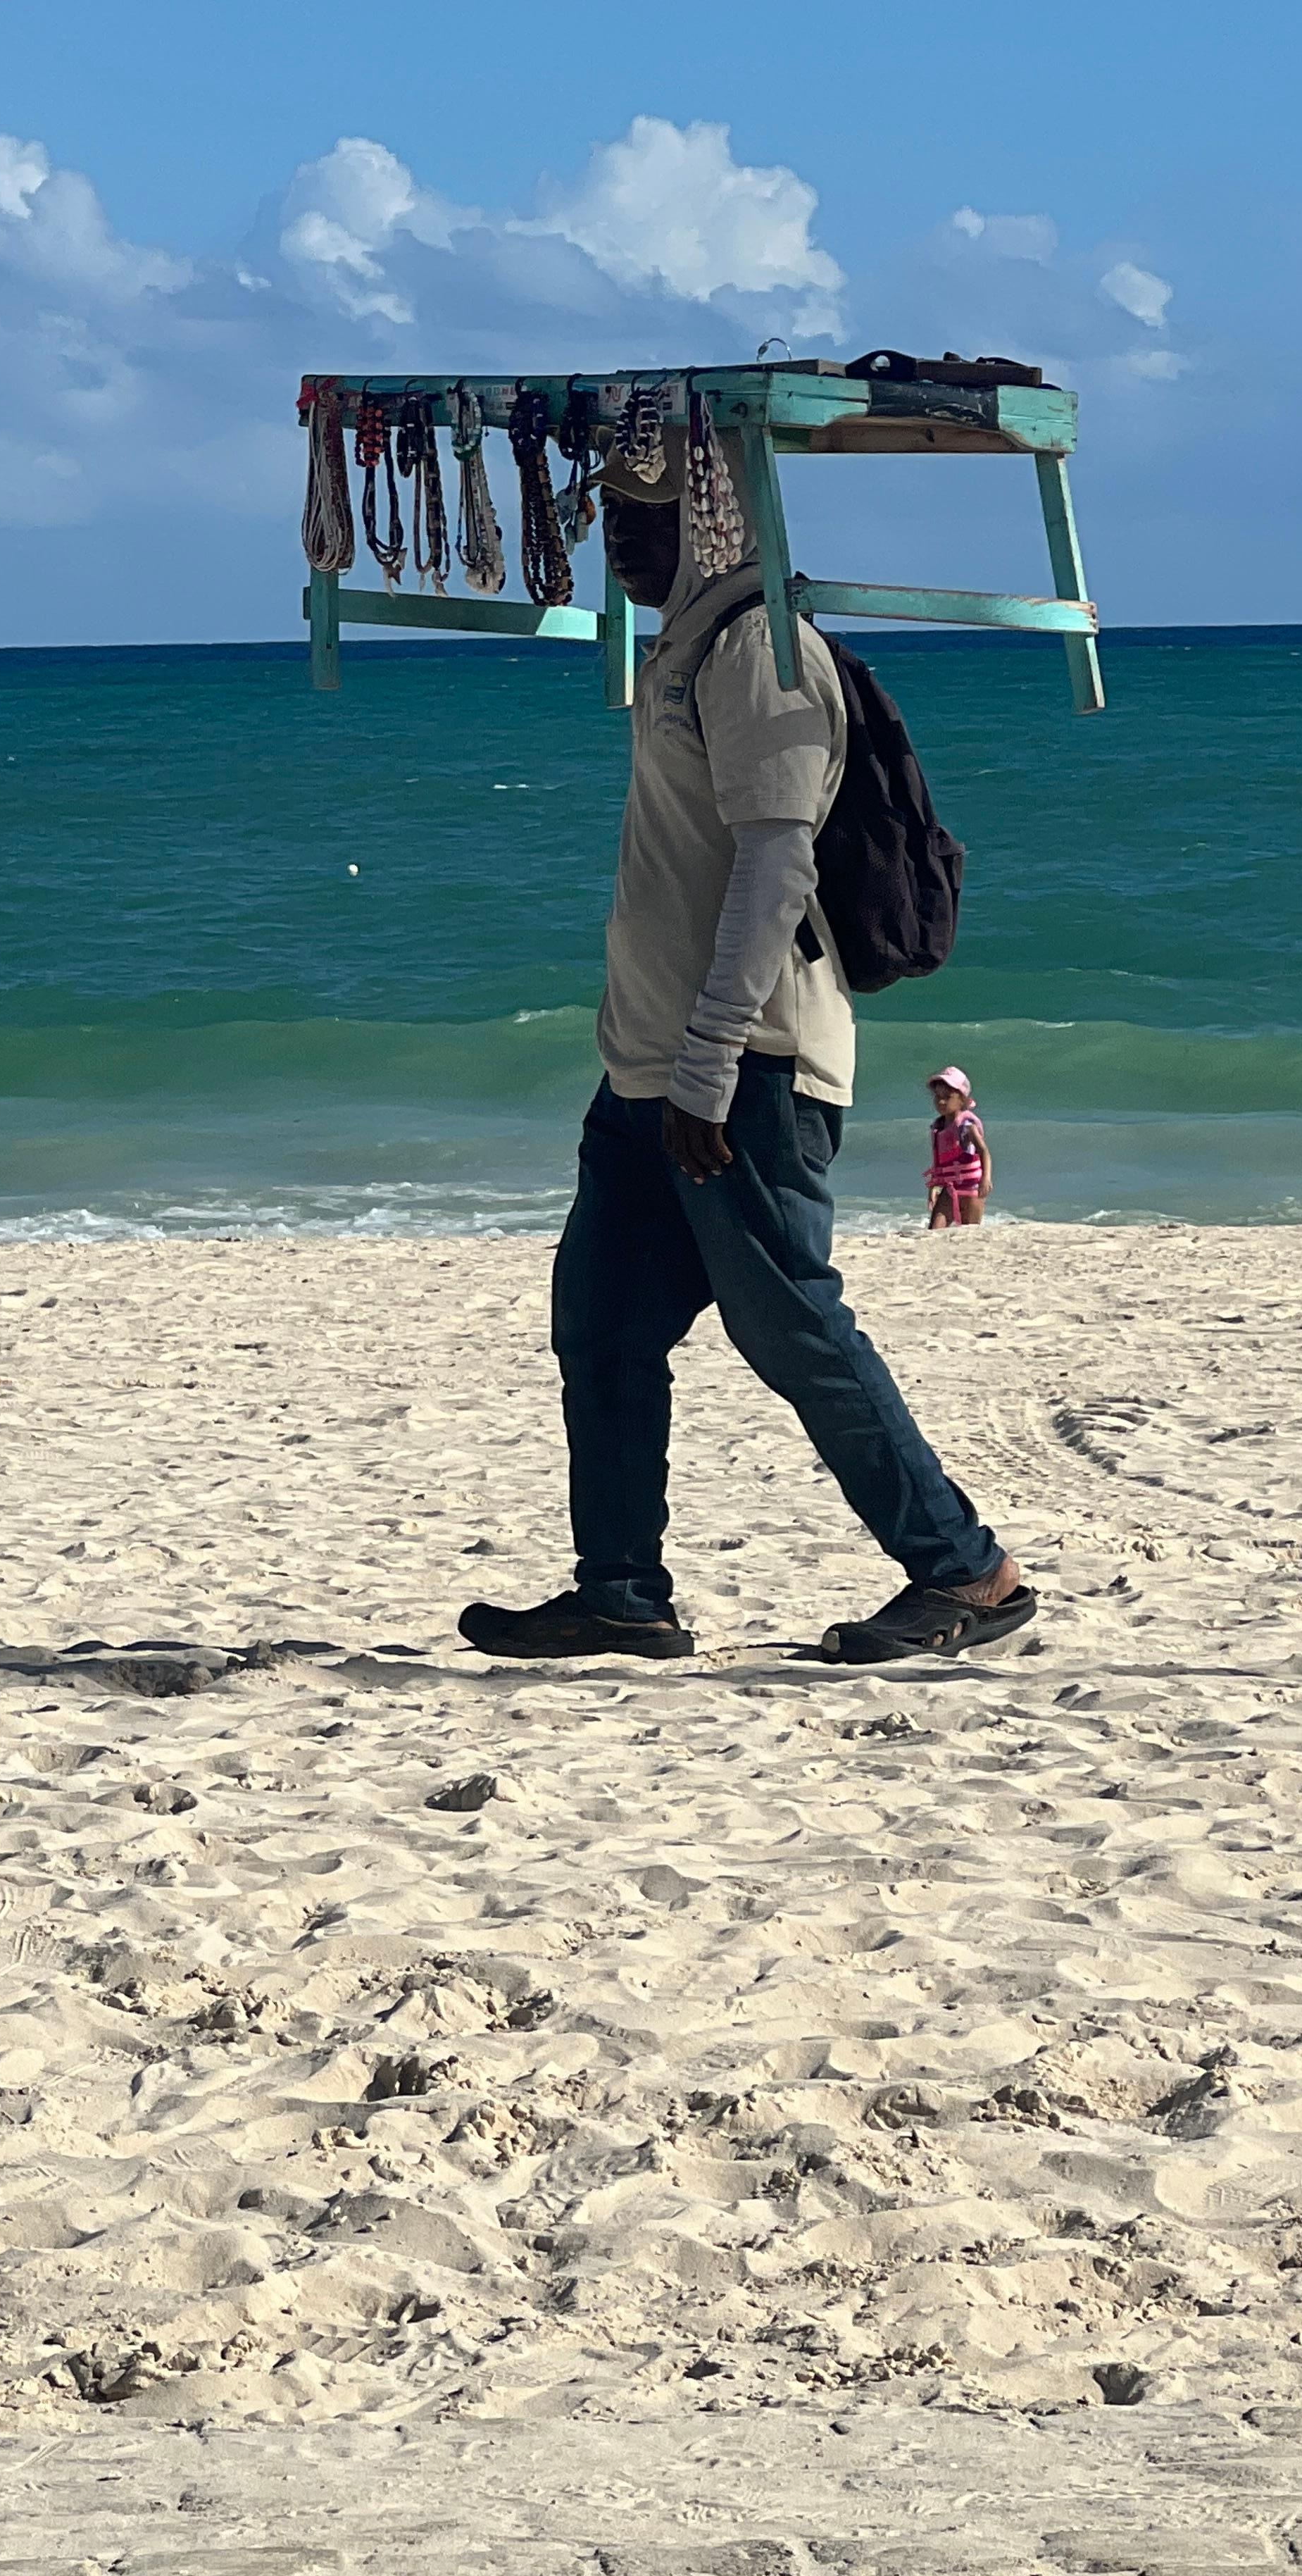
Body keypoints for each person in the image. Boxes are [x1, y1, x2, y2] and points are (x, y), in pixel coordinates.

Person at [457, 425, 1034, 1668]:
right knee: (601, 1325)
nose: (622, 540)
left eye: (645, 519)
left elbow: (775, 864)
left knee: (792, 1328)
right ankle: (619, 1590)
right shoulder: (679, 645)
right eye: (610, 517)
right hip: (647, 1073)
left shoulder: (761, 654)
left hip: (743, 1067)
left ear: (714, 524)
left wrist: (710, 1065)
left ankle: (965, 1573)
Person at [925, 1068, 991, 1228]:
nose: (941, 1102)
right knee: (935, 1229)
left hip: (972, 1188)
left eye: (947, 1098)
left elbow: (984, 1151)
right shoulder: (939, 1127)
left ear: (962, 1100)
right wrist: (935, 1185)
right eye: (938, 1097)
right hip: (949, 1188)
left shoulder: (966, 1126)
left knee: (970, 1231)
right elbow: (940, 1163)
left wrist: (986, 1179)